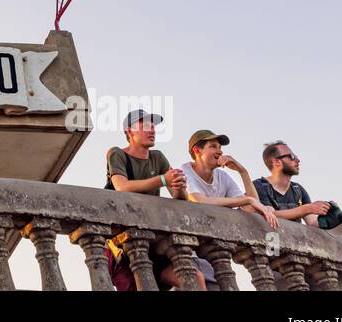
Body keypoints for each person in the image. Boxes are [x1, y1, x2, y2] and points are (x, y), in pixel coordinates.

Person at [104, 110, 202, 290]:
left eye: (153, 126)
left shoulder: (157, 157)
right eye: (144, 126)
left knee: (195, 279)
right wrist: (164, 179)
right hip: (123, 244)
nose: (152, 130)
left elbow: (179, 197)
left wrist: (179, 185)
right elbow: (122, 187)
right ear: (129, 132)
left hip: (152, 241)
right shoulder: (116, 153)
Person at [181, 130, 279, 231]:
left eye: (220, 147)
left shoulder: (222, 176)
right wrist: (248, 200)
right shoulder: (185, 171)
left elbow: (253, 208)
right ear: (197, 150)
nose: (220, 152)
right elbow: (199, 200)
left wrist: (243, 172)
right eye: (213, 146)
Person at [255, 141, 334, 224]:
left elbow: (313, 222)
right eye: (292, 157)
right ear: (277, 162)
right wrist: (307, 208)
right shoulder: (259, 186)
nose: (298, 160)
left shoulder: (298, 190)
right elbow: (269, 214)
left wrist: (330, 216)